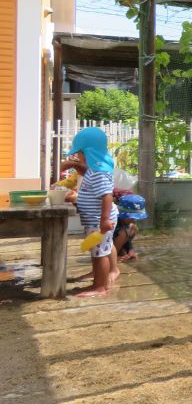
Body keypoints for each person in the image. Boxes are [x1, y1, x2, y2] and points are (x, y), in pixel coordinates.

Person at [61, 127, 119, 297]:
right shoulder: (96, 169)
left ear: (88, 153)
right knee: (99, 251)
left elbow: (107, 196)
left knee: (100, 253)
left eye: (79, 153)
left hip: (98, 220)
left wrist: (104, 220)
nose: (78, 157)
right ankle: (97, 279)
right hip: (94, 219)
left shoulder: (99, 173)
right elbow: (87, 173)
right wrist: (74, 165)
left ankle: (100, 287)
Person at [113, 194, 147, 261]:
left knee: (133, 228)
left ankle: (120, 251)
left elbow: (127, 237)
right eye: (131, 217)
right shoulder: (113, 219)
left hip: (113, 241)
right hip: (103, 244)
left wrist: (130, 249)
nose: (133, 219)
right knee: (124, 232)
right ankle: (112, 257)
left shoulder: (127, 221)